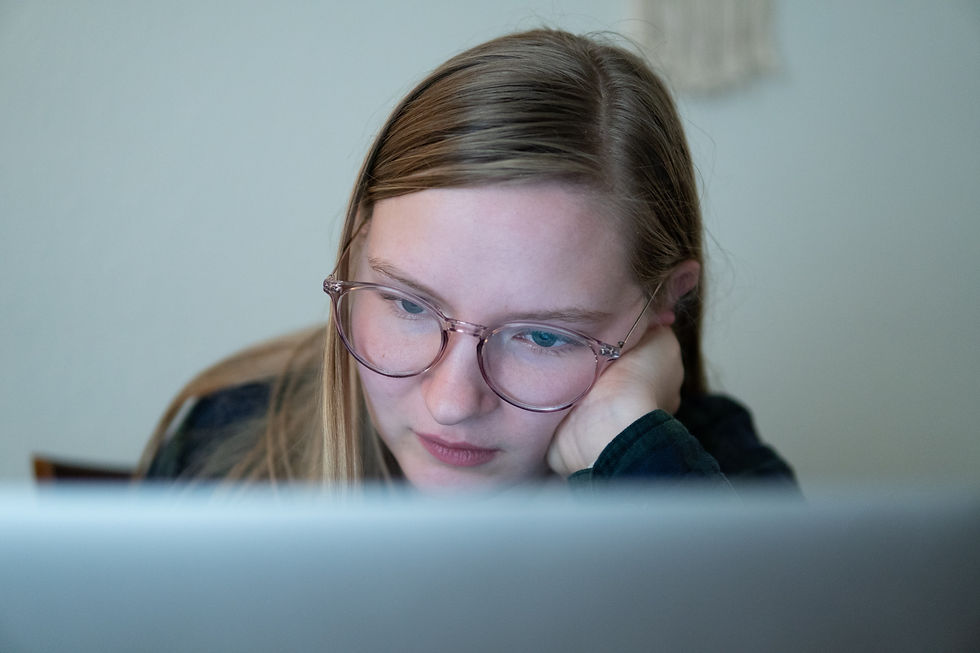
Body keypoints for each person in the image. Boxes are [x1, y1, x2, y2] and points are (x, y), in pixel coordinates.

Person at [138, 28, 795, 492]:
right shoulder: (231, 446)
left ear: (664, 303)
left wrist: (624, 440)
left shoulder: (706, 483)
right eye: (409, 304)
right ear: (357, 249)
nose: (452, 402)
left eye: (542, 336)